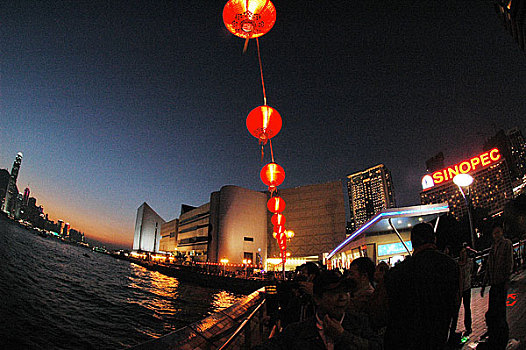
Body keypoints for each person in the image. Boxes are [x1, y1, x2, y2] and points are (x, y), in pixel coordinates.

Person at [254, 270, 382, 350]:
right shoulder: (297, 332)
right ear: (317, 298)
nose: (343, 297)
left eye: (345, 291)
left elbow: (378, 346)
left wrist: (343, 336)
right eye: (334, 293)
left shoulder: (360, 323)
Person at [384, 223, 459, 350]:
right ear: (434, 239)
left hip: (408, 340)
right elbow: (456, 302)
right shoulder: (451, 265)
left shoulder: (399, 271)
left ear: (412, 243)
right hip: (439, 336)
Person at [480, 223, 514, 349]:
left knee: (501, 312)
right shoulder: (492, 248)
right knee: (492, 311)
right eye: (495, 233)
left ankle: (503, 336)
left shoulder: (507, 244)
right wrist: (483, 285)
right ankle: (493, 333)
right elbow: (488, 268)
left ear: (502, 232)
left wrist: (507, 280)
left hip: (501, 282)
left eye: (499, 232)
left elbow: (509, 262)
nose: (497, 234)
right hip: (494, 284)